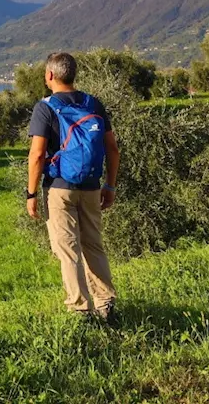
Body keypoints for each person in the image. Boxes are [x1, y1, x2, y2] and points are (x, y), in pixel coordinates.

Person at [25, 51, 120, 323]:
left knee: (68, 249)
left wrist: (31, 193)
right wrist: (109, 185)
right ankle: (106, 303)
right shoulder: (94, 104)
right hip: (91, 186)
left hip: (59, 188)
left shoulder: (46, 108)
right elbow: (112, 149)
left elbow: (37, 155)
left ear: (50, 75)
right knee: (94, 245)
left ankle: (81, 310)